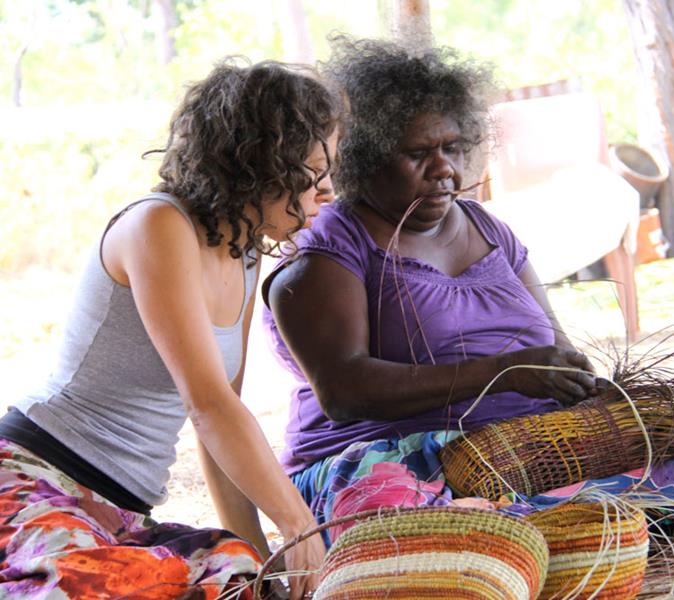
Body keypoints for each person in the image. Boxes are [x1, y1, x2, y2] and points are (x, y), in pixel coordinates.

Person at [0, 59, 337, 599]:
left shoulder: (244, 252)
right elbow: (209, 407)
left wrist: (263, 563)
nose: (328, 192)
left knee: (234, 574)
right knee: (102, 585)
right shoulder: (158, 225)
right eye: (313, 173)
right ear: (255, 164)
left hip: (116, 513)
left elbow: (222, 426)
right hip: (33, 479)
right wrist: (298, 525)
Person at [262, 36, 600, 545]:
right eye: (418, 153)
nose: (444, 169)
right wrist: (503, 373)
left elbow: (558, 352)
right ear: (363, 157)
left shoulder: (489, 230)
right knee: (408, 513)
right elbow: (343, 392)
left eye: (453, 148)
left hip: (513, 451)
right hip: (387, 461)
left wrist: (593, 392)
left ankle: (526, 528)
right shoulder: (330, 245)